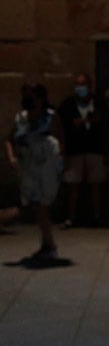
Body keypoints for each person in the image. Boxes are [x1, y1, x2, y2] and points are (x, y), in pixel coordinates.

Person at [6, 84, 64, 261]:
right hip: (28, 166)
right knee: (36, 205)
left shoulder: (50, 117)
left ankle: (49, 245)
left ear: (40, 99)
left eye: (31, 97)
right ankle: (48, 244)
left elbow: (61, 141)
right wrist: (11, 158)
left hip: (45, 166)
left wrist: (59, 165)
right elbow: (9, 139)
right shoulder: (21, 118)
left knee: (40, 205)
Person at [57, 73, 106, 228]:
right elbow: (60, 124)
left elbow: (108, 121)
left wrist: (95, 121)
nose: (80, 88)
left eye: (83, 85)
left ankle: (97, 216)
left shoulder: (98, 103)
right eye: (77, 85)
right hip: (75, 149)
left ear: (89, 86)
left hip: (94, 148)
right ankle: (71, 217)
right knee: (73, 185)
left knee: (95, 184)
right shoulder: (68, 105)